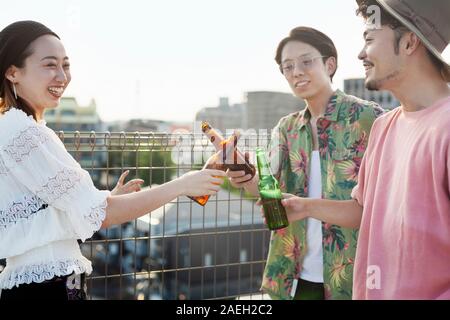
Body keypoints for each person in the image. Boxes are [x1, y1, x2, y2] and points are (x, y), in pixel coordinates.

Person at [0, 20, 226, 300]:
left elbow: (54, 216)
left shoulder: (16, 127)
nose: (62, 76)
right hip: (47, 287)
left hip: (41, 282)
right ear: (12, 72)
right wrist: (182, 185)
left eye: (66, 65)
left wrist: (105, 199)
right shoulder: (25, 133)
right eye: (49, 65)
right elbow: (101, 216)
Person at [280, 0, 450, 299]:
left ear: (410, 41)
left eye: (369, 40)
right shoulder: (385, 127)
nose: (360, 54)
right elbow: (364, 210)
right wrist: (304, 206)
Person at [227, 26, 383, 300]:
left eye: (306, 61)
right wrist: (243, 175)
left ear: (330, 63)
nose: (296, 72)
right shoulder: (285, 128)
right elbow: (267, 187)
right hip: (293, 274)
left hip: (352, 275)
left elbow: (383, 204)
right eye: (288, 67)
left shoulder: (370, 119)